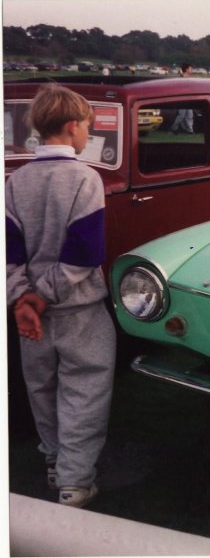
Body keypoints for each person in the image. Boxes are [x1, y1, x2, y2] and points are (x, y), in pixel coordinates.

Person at [5, 84, 116, 508]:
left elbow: (9, 251)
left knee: (42, 390)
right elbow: (85, 254)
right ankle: (75, 479)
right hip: (79, 311)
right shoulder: (86, 178)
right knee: (84, 392)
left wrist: (22, 299)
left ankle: (55, 460)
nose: (88, 133)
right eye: (88, 126)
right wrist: (41, 297)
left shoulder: (16, 180)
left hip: (30, 314)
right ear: (73, 127)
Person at [170, 63, 194, 134]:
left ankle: (190, 130)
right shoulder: (180, 78)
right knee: (181, 115)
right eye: (190, 68)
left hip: (189, 99)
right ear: (186, 69)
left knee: (190, 115)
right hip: (182, 99)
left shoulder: (190, 78)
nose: (191, 70)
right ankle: (174, 128)